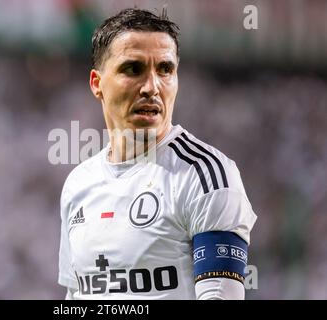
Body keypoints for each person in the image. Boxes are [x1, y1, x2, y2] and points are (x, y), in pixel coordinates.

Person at [58, 8, 257, 299]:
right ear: (97, 83)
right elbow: (75, 297)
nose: (152, 87)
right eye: (133, 69)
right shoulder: (78, 184)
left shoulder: (206, 175)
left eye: (165, 69)